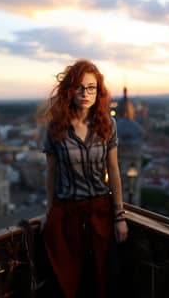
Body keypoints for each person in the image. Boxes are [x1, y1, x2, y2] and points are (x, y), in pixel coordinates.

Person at [42, 59, 128, 298]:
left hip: (99, 212)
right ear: (70, 89)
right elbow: (51, 173)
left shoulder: (108, 125)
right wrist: (49, 212)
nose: (85, 93)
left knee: (101, 279)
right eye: (80, 87)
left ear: (98, 92)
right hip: (66, 214)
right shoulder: (55, 127)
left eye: (91, 87)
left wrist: (119, 215)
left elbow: (114, 170)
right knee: (68, 282)